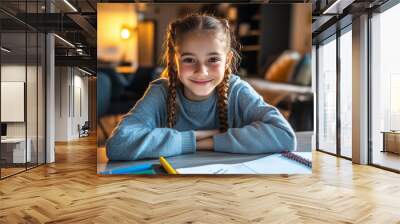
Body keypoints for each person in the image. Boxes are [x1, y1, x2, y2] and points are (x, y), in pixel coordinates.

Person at [106, 14, 296, 161]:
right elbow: (118, 144)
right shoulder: (161, 91)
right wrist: (195, 137)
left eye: (213, 59)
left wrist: (208, 143)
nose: (201, 71)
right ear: (175, 61)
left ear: (227, 60)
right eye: (189, 59)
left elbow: (285, 136)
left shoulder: (236, 90)